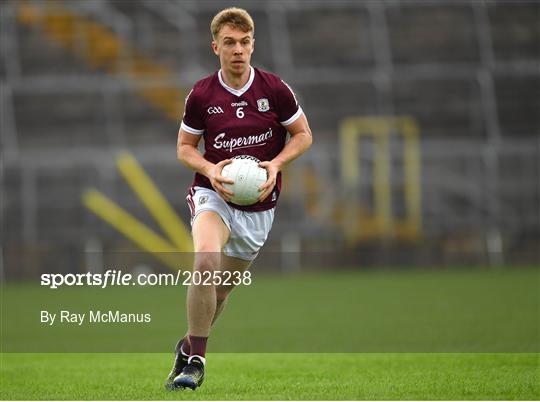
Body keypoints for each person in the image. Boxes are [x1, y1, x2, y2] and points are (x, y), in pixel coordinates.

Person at [165, 7, 312, 391]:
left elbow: (303, 135)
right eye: (229, 43)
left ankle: (186, 345)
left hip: (259, 206)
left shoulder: (274, 89)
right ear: (215, 47)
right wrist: (212, 171)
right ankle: (197, 361)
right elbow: (184, 147)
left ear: (253, 44)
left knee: (220, 292)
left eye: (244, 42)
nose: (238, 49)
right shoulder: (202, 94)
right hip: (212, 194)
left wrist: (277, 164)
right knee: (206, 261)